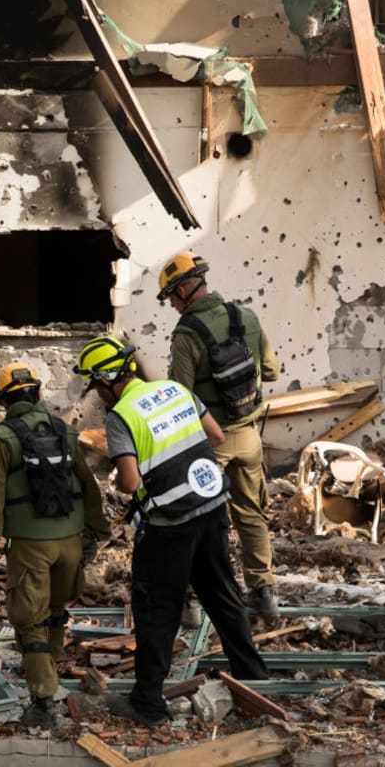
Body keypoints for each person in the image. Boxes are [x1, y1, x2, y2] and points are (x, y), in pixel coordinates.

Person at [74, 336, 268, 725]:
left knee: (157, 611)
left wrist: (121, 482)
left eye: (96, 383)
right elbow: (215, 436)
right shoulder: (175, 389)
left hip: (169, 527)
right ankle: (255, 680)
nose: (97, 392)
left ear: (108, 378)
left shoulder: (121, 417)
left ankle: (148, 702)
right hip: (211, 508)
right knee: (223, 596)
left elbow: (129, 483)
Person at [0, 362, 111, 728]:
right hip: (69, 542)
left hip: (30, 546)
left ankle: (43, 701)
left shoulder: (1, 439)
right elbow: (87, 483)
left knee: (29, 620)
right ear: (37, 394)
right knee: (54, 609)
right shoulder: (64, 431)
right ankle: (49, 664)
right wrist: (97, 530)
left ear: (3, 400)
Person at [156, 251, 282, 626]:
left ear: (183, 289)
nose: (173, 306)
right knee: (252, 516)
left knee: (196, 520)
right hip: (249, 438)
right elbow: (272, 371)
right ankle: (265, 593)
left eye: (172, 298)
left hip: (209, 444)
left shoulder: (186, 334)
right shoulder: (247, 317)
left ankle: (193, 603)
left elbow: (180, 396)